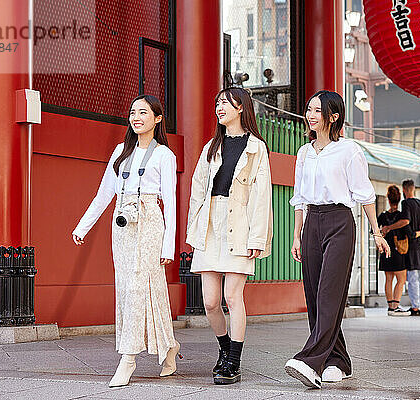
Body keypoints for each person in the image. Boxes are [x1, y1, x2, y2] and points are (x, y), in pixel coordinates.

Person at [72, 95, 180, 387]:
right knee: (134, 287)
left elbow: (169, 202)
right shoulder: (121, 151)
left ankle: (128, 357)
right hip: (121, 223)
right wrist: (84, 226)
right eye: (133, 112)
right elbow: (104, 193)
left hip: (149, 221)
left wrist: (168, 245)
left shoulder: (164, 156)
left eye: (143, 113)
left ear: (157, 119)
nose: (136, 117)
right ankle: (169, 346)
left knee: (137, 286)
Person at [285, 90, 390, 389]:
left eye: (318, 110)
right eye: (309, 109)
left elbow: (365, 193)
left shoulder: (349, 151)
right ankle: (338, 360)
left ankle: (310, 360)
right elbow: (300, 197)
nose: (311, 114)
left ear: (334, 116)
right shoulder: (304, 153)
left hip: (340, 222)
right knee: (316, 297)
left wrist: (376, 232)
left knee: (330, 293)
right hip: (312, 224)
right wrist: (297, 235)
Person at [186, 87, 273, 384]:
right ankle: (225, 350)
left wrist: (257, 239)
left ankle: (233, 362)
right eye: (217, 103)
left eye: (225, 103)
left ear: (241, 108)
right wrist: (194, 228)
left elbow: (262, 196)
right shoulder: (212, 146)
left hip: (240, 224)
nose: (220, 107)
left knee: (232, 296)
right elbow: (198, 189)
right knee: (210, 301)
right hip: (211, 223)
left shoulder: (256, 147)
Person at [381, 179, 420, 316]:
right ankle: (417, 305)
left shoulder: (405, 204)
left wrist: (412, 234)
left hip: (409, 245)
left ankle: (412, 307)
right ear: (413, 188)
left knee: (411, 277)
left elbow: (406, 222)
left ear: (404, 190)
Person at [377, 185, 411, 316]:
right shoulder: (401, 216)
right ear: (399, 198)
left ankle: (390, 305)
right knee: (401, 278)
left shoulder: (383, 216)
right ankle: (396, 305)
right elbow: (407, 227)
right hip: (398, 251)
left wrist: (385, 230)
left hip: (386, 250)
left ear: (388, 199)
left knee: (389, 278)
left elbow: (376, 231)